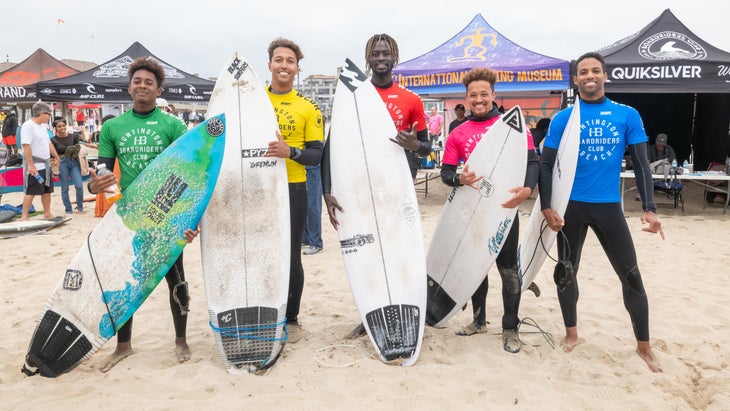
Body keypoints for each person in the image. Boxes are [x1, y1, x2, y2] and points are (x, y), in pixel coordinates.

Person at [539, 52, 664, 372]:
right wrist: (547, 205)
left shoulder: (627, 115)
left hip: (609, 206)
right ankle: (571, 335)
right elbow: (546, 164)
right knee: (566, 273)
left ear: (604, 76)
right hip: (571, 208)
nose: (590, 76)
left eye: (595, 70)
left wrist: (650, 209)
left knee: (631, 276)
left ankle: (644, 347)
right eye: (583, 72)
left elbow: (640, 165)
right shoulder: (563, 118)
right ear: (576, 79)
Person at [88, 57, 198, 372]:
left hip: (166, 213)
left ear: (158, 89)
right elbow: (103, 176)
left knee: (175, 278)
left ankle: (181, 339)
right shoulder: (112, 127)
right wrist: (96, 185)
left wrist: (190, 218)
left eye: (149, 82)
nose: (142, 86)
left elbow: (187, 173)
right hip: (129, 214)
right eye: (137, 81)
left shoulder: (172, 125)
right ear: (130, 86)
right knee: (125, 279)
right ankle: (123, 345)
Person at [322, 33, 430, 339]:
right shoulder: (352, 98)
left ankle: (404, 304)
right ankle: (370, 314)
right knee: (365, 250)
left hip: (397, 186)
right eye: (375, 54)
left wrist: (416, 146)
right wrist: (327, 192)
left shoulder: (412, 100)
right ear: (368, 58)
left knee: (398, 248)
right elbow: (332, 149)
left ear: (394, 57)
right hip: (358, 187)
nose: (381, 58)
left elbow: (428, 148)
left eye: (386, 53)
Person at [439, 68, 539, 353]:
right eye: (473, 95)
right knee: (475, 270)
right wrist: (459, 179)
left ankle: (510, 328)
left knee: (508, 272)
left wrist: (528, 189)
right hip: (473, 213)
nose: (479, 99)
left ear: (493, 95)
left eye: (484, 94)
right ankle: (479, 320)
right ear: (467, 98)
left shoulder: (514, 127)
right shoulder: (457, 133)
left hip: (505, 212)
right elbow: (446, 173)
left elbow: (532, 163)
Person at [263, 37, 324, 344]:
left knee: (290, 255)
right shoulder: (253, 101)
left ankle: (292, 318)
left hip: (292, 188)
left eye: (290, 61)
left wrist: (291, 153)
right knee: (261, 252)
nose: (284, 65)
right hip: (258, 188)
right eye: (279, 59)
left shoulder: (307, 107)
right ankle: (263, 309)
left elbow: (317, 154)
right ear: (269, 64)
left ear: (297, 68)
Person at [20, 102, 61, 221]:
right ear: (42, 113)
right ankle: (24, 216)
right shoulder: (28, 126)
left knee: (47, 190)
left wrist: (57, 157)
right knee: (31, 191)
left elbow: (48, 143)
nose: (49, 117)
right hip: (35, 165)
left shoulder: (43, 127)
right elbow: (26, 146)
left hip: (46, 164)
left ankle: (47, 213)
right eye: (48, 114)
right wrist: (31, 165)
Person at [51, 118, 85, 214]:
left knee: (79, 185)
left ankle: (80, 207)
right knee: (65, 187)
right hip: (62, 163)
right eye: (59, 126)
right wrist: (54, 167)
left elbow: (81, 145)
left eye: (63, 125)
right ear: (56, 129)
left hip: (74, 161)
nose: (62, 128)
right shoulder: (53, 140)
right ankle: (68, 209)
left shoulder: (74, 137)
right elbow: (51, 156)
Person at [302, 163, 324, 255]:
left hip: (312, 166)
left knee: (313, 205)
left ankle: (316, 243)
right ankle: (305, 238)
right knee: (302, 204)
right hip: (299, 166)